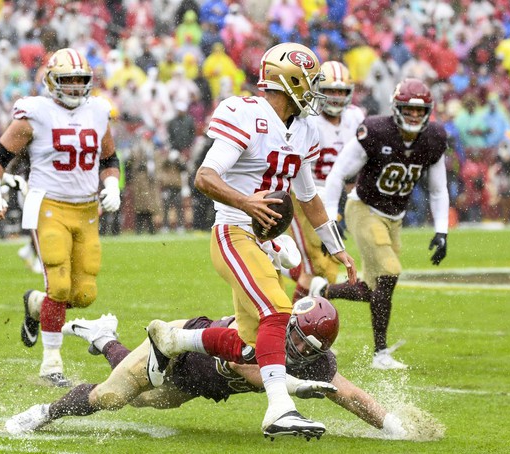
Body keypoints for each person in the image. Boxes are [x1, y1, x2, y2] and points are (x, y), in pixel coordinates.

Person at [145, 42, 357, 440]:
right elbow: (205, 178)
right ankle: (280, 410)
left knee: (248, 346)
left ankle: (172, 340)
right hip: (232, 229)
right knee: (279, 310)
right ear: (288, 83)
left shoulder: (305, 129)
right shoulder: (248, 116)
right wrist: (245, 201)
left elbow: (307, 194)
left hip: (261, 241)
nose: (315, 93)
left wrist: (334, 244)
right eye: (309, 83)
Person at [4, 297, 407, 441]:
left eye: (304, 342)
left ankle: (102, 337)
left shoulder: (315, 359)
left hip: (201, 383)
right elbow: (246, 365)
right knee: (111, 396)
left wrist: (392, 426)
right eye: (294, 332)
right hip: (178, 347)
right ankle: (43, 415)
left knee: (143, 401)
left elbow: (349, 394)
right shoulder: (266, 327)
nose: (294, 343)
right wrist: (297, 387)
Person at [0, 48, 121, 386]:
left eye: (80, 80)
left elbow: (109, 158)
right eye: (67, 80)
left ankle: (35, 305)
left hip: (87, 208)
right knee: (58, 283)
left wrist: (113, 185)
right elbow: (0, 156)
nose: (74, 87)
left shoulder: (99, 111)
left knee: (84, 293)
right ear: (51, 81)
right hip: (47, 205)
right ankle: (51, 365)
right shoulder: (35, 112)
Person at [312, 78, 449, 370]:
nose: (413, 116)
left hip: (394, 219)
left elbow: (438, 189)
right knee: (389, 272)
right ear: (396, 109)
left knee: (373, 288)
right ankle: (380, 354)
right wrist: (329, 219)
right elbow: (337, 174)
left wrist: (442, 230)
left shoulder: (433, 138)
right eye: (408, 111)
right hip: (364, 208)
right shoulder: (376, 131)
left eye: (419, 111)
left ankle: (324, 290)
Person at [287, 60, 365, 303]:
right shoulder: (307, 120)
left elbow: (356, 165)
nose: (336, 97)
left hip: (335, 196)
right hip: (306, 194)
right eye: (330, 90)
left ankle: (307, 323)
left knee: (327, 267)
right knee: (317, 268)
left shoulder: (355, 117)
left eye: (341, 91)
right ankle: (295, 324)